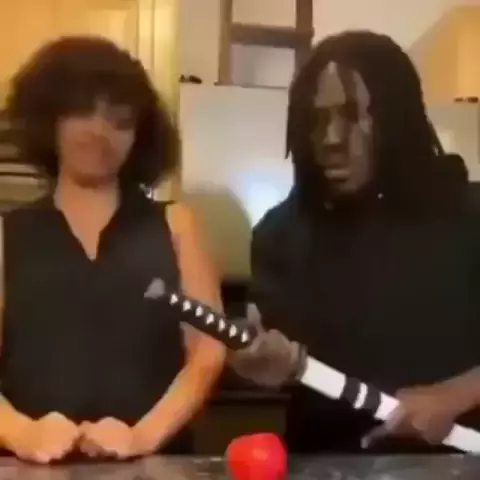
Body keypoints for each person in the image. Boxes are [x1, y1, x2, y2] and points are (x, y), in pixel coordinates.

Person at [230, 30, 480, 454]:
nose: (330, 138)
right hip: (327, 463)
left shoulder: (469, 215)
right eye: (316, 120)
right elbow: (276, 363)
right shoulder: (279, 234)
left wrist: (455, 395)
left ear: (397, 116)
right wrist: (253, 366)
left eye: (351, 115)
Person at [0, 36, 226, 463]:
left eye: (120, 120)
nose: (99, 131)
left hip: (157, 468)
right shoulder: (7, 233)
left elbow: (208, 352)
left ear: (140, 135)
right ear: (50, 119)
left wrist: (141, 437)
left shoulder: (177, 224)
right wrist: (24, 434)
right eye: (82, 111)